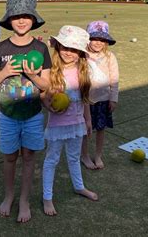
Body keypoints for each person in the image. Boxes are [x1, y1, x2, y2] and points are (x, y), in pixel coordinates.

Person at [0, 0, 51, 223]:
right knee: (10, 157)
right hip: (6, 115)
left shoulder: (41, 49)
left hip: (33, 115)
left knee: (29, 157)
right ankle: (9, 196)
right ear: (9, 20)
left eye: (26, 16)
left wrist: (33, 75)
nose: (21, 20)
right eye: (16, 16)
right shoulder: (1, 48)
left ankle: (24, 200)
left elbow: (47, 84)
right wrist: (4, 73)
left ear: (33, 19)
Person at [41, 25, 99, 216]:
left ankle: (79, 186)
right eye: (65, 47)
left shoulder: (83, 71)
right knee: (52, 160)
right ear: (57, 47)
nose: (68, 52)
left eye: (74, 49)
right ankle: (47, 198)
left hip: (77, 124)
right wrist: (50, 105)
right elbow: (44, 97)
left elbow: (84, 99)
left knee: (74, 157)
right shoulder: (51, 71)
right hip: (57, 125)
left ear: (80, 53)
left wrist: (88, 120)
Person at [81, 21, 119, 170]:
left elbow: (114, 79)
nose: (97, 43)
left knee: (101, 129)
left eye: (102, 40)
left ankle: (97, 155)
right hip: (85, 100)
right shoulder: (81, 54)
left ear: (106, 42)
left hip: (103, 100)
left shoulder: (110, 57)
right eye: (94, 38)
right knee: (85, 130)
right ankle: (84, 155)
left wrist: (113, 98)